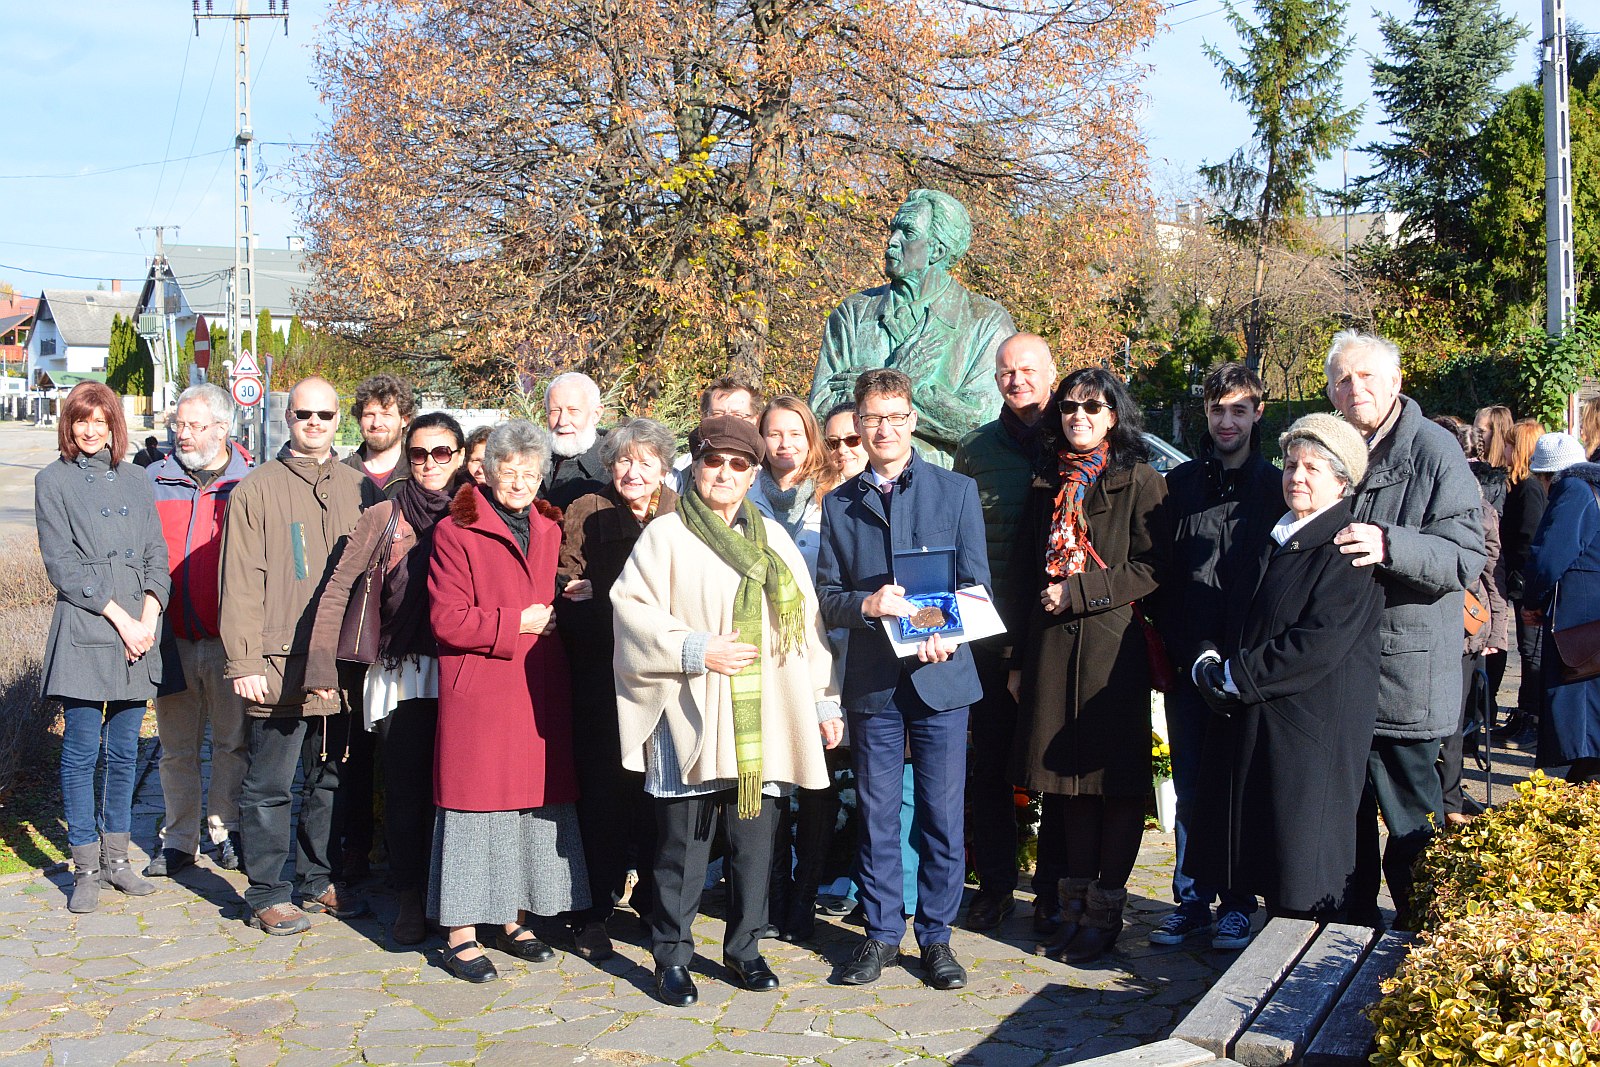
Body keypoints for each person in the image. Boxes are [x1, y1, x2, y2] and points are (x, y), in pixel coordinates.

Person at [612, 416, 841, 1006]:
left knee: (754, 843)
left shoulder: (776, 542)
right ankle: (672, 956)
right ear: (695, 465)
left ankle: (745, 949)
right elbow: (630, 611)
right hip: (686, 707)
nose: (725, 474)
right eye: (714, 462)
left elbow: (807, 627)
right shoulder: (664, 536)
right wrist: (695, 648)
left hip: (759, 719)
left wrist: (823, 699)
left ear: (753, 474)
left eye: (740, 465)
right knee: (680, 847)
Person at [816, 368, 991, 990]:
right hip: (875, 683)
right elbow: (828, 597)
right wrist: (867, 606)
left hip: (943, 677)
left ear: (912, 420)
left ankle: (937, 939)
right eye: (872, 419)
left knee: (942, 815)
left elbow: (977, 586)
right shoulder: (838, 504)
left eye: (895, 417)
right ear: (858, 426)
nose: (884, 429)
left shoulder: (957, 491)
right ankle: (881, 935)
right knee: (877, 814)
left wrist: (953, 628)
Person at [1186, 414, 1383, 920]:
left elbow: (1316, 642)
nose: (1297, 476)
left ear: (1342, 482)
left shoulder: (1346, 547)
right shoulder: (1275, 534)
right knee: (1269, 857)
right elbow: (1233, 609)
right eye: (1292, 464)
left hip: (1312, 731)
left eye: (1313, 468)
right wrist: (1209, 656)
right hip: (1264, 721)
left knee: (1305, 865)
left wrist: (1236, 676)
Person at [1323, 331, 1486, 930]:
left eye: (1366, 377)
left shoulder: (1433, 449)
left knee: (1412, 822)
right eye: (1342, 379)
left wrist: (1390, 544)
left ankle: (1425, 943)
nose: (1354, 388)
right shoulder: (1328, 445)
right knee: (1342, 820)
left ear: (1396, 382)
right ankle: (1344, 939)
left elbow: (1466, 558)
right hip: (1335, 670)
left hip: (1405, 673)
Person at [1006, 367, 1169, 963]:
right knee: (1067, 783)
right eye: (1071, 407)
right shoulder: (1046, 480)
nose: (1079, 416)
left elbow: (1153, 568)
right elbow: (1028, 573)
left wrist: (1081, 593)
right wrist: (1020, 660)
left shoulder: (1141, 480)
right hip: (1051, 646)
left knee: (1115, 783)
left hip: (1112, 647)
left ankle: (1107, 912)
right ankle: (1072, 909)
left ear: (1114, 417)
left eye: (1093, 407)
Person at [426, 420, 590, 982]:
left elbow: (549, 593)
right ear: (487, 471)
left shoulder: (548, 523)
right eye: (508, 471)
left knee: (529, 809)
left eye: (529, 472)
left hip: (538, 685)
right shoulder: (456, 529)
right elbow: (446, 619)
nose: (519, 482)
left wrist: (570, 597)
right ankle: (461, 935)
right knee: (474, 811)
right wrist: (512, 622)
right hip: (483, 687)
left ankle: (515, 920)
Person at [220, 377, 380, 935]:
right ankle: (266, 890)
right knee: (269, 785)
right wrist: (243, 663)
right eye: (303, 413)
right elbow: (239, 582)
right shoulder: (256, 489)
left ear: (340, 420)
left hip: (335, 665)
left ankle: (317, 880)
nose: (314, 423)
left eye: (326, 414)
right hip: (277, 663)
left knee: (328, 775)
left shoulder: (360, 489)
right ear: (286, 417)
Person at [306, 412, 469, 947]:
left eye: (442, 452)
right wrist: (321, 669)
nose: (429, 464)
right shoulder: (384, 514)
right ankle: (408, 898)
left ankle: (457, 902)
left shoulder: (476, 511)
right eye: (419, 454)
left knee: (459, 794)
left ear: (462, 456)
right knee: (404, 792)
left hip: (465, 670)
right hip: (404, 671)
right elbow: (337, 590)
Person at [1149, 363, 1280, 951]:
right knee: (1192, 785)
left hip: (1249, 666)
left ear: (1257, 413)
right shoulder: (1180, 487)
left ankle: (1238, 901)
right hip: (1187, 663)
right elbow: (1163, 579)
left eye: (1238, 410)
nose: (1226, 422)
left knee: (1243, 784)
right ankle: (1192, 898)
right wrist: (1185, 652)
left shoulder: (1276, 487)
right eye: (1217, 410)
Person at [35, 381, 169, 913]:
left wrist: (149, 619)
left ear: (116, 425)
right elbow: (61, 566)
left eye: (101, 421)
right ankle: (85, 867)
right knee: (80, 752)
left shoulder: (138, 479)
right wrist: (121, 618)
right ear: (68, 426)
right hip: (88, 629)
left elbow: (157, 556)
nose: (91, 431)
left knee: (124, 753)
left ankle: (118, 861)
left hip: (139, 629)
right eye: (80, 422)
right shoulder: (52, 481)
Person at [952, 332, 1065, 935]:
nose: (1016, 380)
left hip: (1059, 630)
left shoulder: (1076, 439)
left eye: (1027, 370)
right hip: (991, 635)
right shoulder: (976, 451)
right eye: (1004, 372)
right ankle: (996, 885)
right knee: (991, 767)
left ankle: (1051, 890)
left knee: (1054, 767)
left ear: (1051, 374)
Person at [555, 417, 679, 962]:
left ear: (664, 467)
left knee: (661, 796)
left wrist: (603, 593)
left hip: (669, 676)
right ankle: (593, 910)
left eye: (645, 461)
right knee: (604, 795)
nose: (634, 471)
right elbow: (566, 587)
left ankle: (657, 902)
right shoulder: (586, 509)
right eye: (624, 460)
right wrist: (605, 600)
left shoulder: (684, 511)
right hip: (602, 675)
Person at [810, 190, 1016, 467]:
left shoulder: (986, 322)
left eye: (907, 232)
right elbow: (822, 411)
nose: (892, 241)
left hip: (947, 491)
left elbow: (983, 425)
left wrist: (896, 384)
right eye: (893, 229)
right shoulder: (853, 314)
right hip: (858, 486)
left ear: (938, 250)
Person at [144, 383, 254, 878]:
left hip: (229, 642)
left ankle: (225, 828)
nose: (181, 434)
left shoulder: (249, 483)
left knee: (232, 743)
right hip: (172, 639)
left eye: (193, 425)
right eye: (178, 424)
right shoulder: (153, 480)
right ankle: (179, 838)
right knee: (176, 747)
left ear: (222, 428)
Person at [1431, 416, 1509, 827]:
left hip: (1463, 627)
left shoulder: (1476, 504)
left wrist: (1495, 630)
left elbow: (1493, 571)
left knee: (1455, 719)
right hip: (1432, 626)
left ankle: (1450, 797)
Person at [1521, 432, 1599, 783]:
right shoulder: (1594, 488)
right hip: (1592, 617)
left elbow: (1549, 556)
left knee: (1577, 716)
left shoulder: (1573, 490)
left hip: (1577, 621)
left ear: (1546, 475)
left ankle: (1580, 794)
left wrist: (1532, 602)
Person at [1499, 419, 1550, 741]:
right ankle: (1526, 712)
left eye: (1508, 443)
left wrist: (1518, 574)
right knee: (1529, 648)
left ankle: (1530, 716)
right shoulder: (1521, 485)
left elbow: (1528, 540)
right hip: (1521, 580)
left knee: (1531, 650)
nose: (1502, 449)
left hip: (1526, 583)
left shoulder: (1530, 488)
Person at [671, 374, 766, 491]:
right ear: (705, 417)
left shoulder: (765, 481)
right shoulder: (677, 473)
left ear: (754, 421)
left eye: (737, 415)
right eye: (718, 414)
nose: (727, 422)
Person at [540, 372, 608, 508]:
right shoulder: (533, 463)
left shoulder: (612, 472)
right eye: (555, 411)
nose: (563, 421)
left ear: (596, 414)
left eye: (573, 411)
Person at [345, 374, 414, 492]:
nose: (376, 423)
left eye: (386, 415)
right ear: (359, 419)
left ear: (404, 420)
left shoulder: (418, 474)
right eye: (369, 415)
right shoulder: (340, 474)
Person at [822, 403, 869, 482]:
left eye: (852, 440)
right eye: (833, 443)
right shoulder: (813, 492)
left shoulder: (892, 489)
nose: (842, 450)